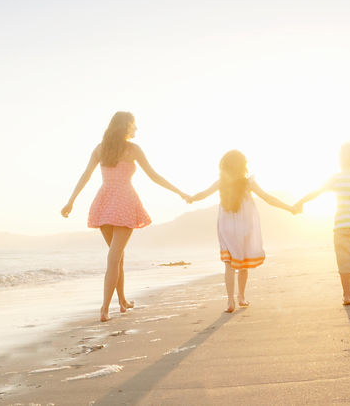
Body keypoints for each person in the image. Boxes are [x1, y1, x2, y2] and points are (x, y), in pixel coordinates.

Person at [61, 111, 190, 322]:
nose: (136, 129)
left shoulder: (101, 149)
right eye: (134, 125)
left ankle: (121, 301)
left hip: (103, 202)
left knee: (116, 255)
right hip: (124, 202)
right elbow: (154, 176)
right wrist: (180, 192)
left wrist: (71, 201)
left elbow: (86, 176)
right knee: (114, 256)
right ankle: (104, 308)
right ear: (126, 126)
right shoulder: (133, 150)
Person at [188, 150, 299, 313]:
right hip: (245, 226)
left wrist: (190, 198)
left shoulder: (221, 182)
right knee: (243, 263)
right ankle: (241, 296)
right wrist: (289, 208)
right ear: (243, 166)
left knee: (229, 264)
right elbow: (268, 198)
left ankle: (230, 300)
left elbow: (203, 194)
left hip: (226, 227)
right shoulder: (248, 183)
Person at [295, 141, 350, 305]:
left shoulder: (336, 178)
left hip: (342, 224)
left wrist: (300, 201)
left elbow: (317, 192)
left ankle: (347, 294)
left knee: (345, 260)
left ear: (341, 158)